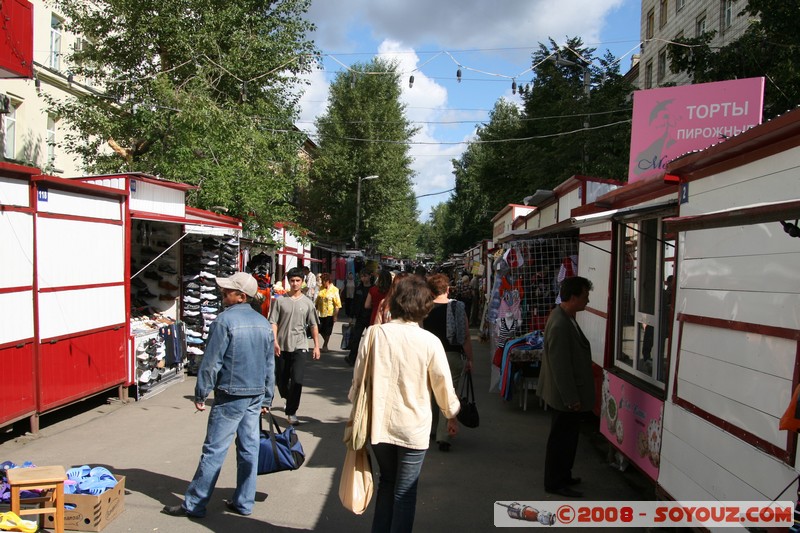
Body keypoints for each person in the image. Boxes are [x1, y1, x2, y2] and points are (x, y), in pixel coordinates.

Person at [349, 275, 461, 532]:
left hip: (378, 423)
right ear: (425, 306)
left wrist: (355, 405)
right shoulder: (430, 342)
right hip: (413, 426)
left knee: (387, 483)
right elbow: (443, 385)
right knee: (405, 491)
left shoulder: (374, 334)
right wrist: (450, 414)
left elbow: (358, 379)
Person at [163, 272, 274, 518]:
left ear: (241, 296)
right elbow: (269, 364)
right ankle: (244, 502)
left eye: (227, 291)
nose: (222, 294)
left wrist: (201, 393)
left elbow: (211, 362)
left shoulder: (224, 321)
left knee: (214, 450)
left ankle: (195, 504)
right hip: (255, 393)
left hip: (231, 393)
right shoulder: (262, 323)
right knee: (249, 449)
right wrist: (267, 396)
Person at [538, 276, 594, 498]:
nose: (587, 300)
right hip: (564, 396)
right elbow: (561, 366)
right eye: (585, 296)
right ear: (573, 297)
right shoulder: (561, 323)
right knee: (561, 440)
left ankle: (563, 475)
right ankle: (555, 481)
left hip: (565, 393)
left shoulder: (564, 316)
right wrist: (571, 397)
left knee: (568, 438)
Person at [423, 274, 474, 452]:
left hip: (429, 356)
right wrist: (470, 359)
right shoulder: (457, 308)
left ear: (431, 291)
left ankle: (431, 428)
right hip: (452, 354)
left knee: (431, 392)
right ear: (447, 289)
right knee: (449, 392)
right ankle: (443, 435)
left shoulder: (425, 308)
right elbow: (465, 335)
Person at [269, 267, 321, 426]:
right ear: (288, 282)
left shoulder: (308, 303)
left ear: (302, 282)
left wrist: (316, 346)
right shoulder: (280, 301)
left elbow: (313, 325)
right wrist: (274, 341)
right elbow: (273, 322)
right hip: (282, 345)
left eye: (298, 280)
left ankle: (291, 412)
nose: (295, 283)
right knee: (282, 380)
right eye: (292, 281)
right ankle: (287, 397)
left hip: (300, 345)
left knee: (297, 380)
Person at [345, 269, 373, 366]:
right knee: (356, 338)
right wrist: (351, 316)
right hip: (360, 316)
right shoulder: (358, 288)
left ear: (370, 276)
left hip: (370, 316)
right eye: (362, 276)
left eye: (365, 276)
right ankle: (352, 358)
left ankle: (369, 359)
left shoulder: (373, 289)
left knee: (370, 339)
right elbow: (354, 303)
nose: (363, 278)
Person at [315, 272, 341, 352]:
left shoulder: (334, 290)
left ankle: (325, 345)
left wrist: (335, 316)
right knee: (319, 329)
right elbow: (317, 299)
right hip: (320, 312)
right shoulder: (321, 288)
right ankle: (325, 342)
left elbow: (337, 305)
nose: (322, 283)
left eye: (323, 281)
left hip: (330, 313)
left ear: (328, 281)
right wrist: (315, 307)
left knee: (327, 330)